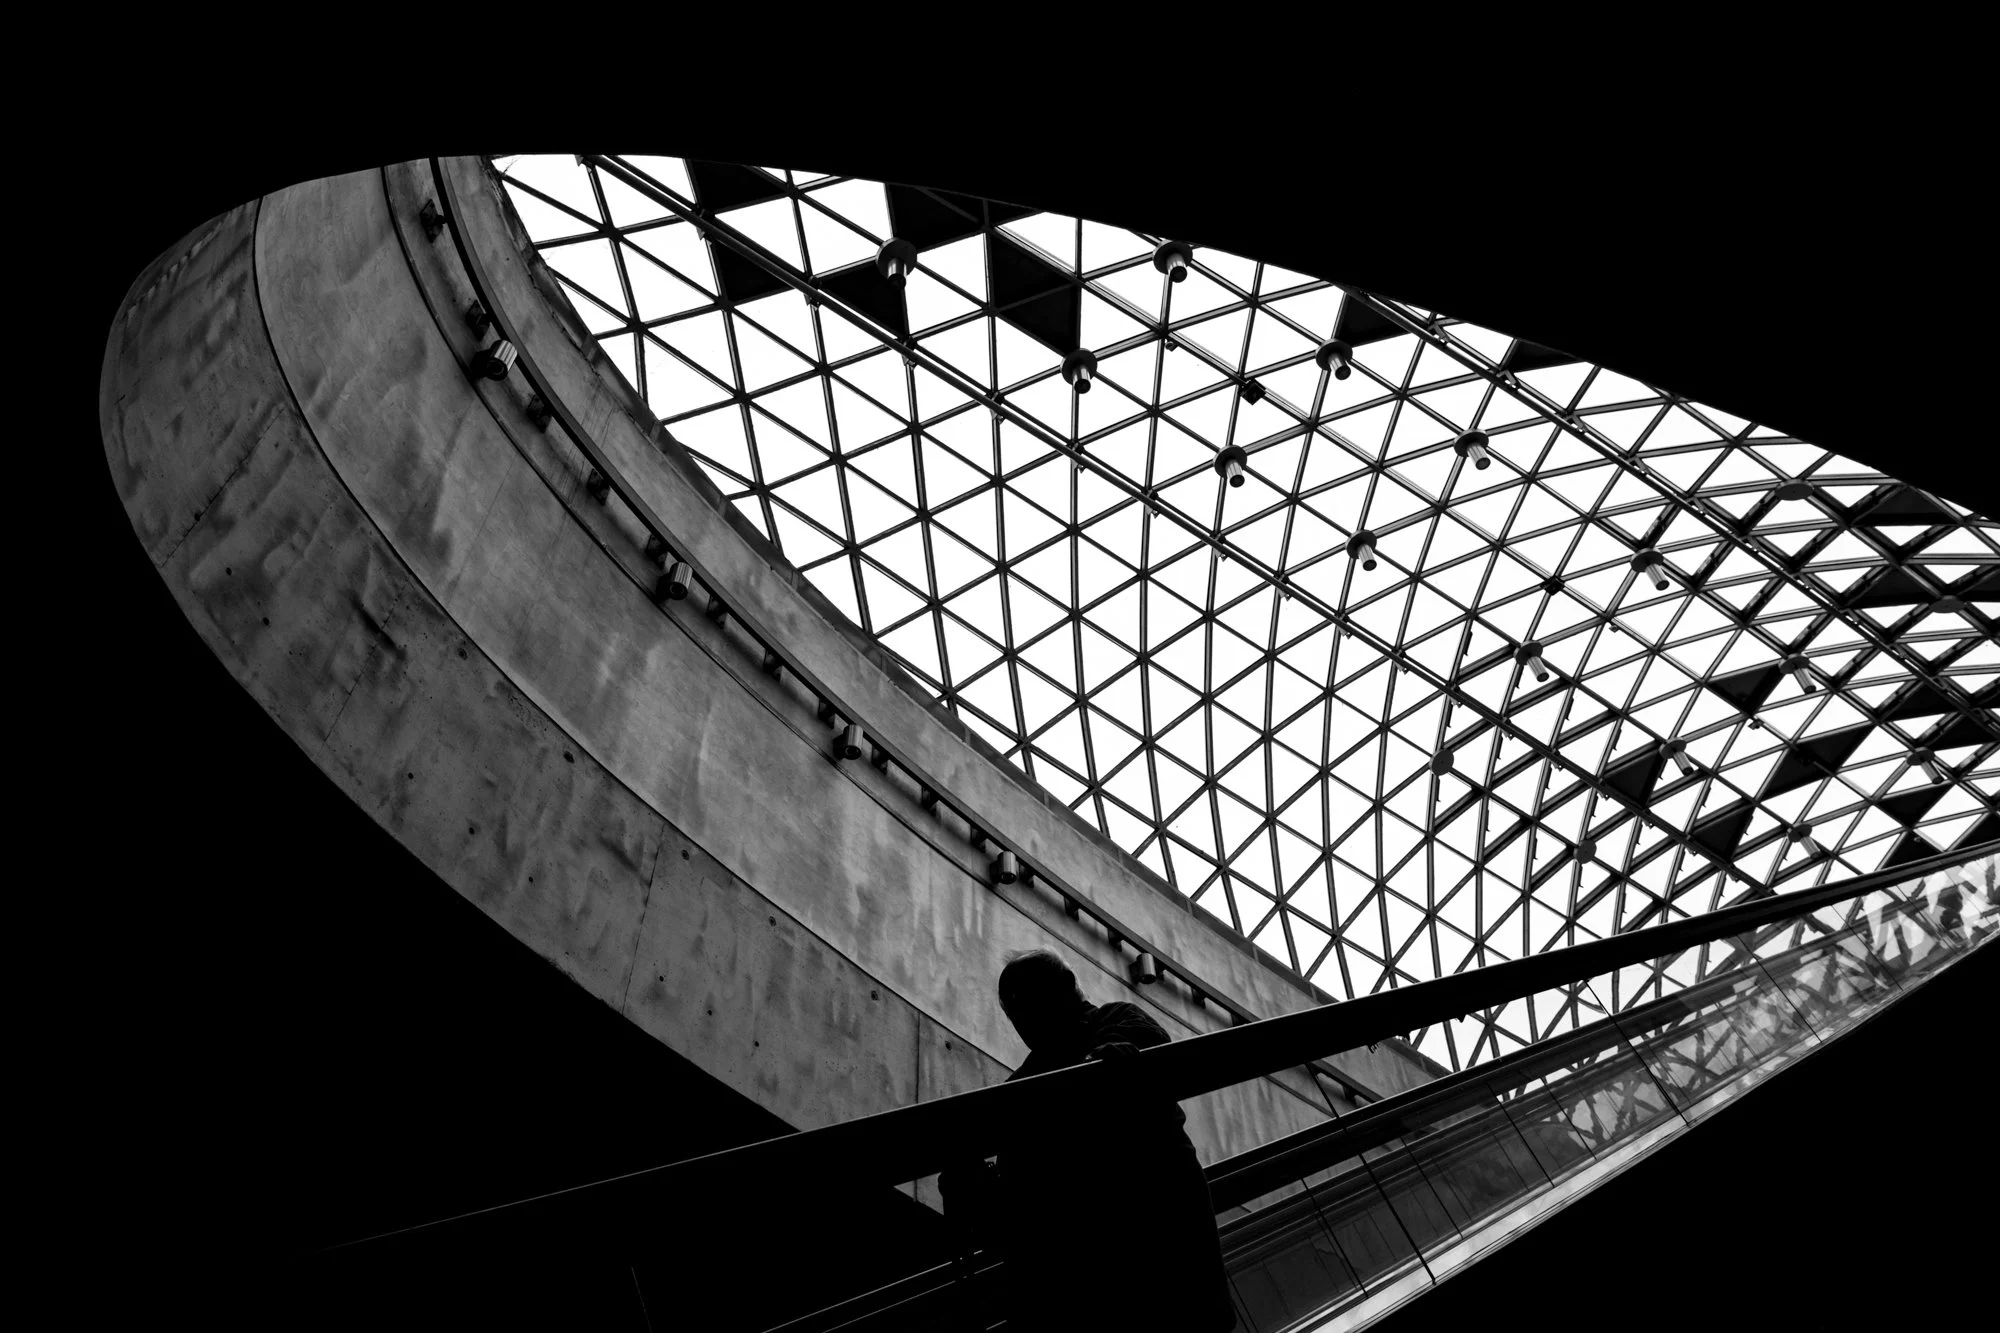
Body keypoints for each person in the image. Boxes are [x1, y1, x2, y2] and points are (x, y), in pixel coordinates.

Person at [938, 950, 1239, 1332]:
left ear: (1062, 990)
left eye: (1024, 1001)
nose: (1020, 1018)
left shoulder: (1107, 1027)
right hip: (1150, 1265)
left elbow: (1140, 1056)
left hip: (1125, 1265)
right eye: (1013, 1007)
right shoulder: (1030, 1083)